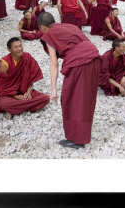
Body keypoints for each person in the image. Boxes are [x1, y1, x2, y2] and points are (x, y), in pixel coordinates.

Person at [38, 12, 101, 149]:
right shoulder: (70, 26)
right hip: (94, 57)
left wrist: (53, 89)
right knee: (85, 100)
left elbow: (53, 63)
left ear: (42, 27)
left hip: (79, 63)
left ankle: (77, 139)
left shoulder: (48, 35)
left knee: (71, 99)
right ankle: (82, 133)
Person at [0, 37, 50, 120]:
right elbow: (2, 86)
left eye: (20, 46)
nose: (19, 49)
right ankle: (27, 106)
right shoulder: (4, 64)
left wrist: (29, 91)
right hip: (9, 94)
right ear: (9, 50)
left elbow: (30, 78)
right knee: (3, 103)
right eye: (16, 47)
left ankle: (13, 109)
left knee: (45, 98)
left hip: (23, 91)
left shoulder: (27, 58)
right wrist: (16, 96)